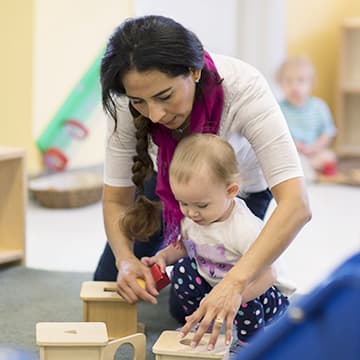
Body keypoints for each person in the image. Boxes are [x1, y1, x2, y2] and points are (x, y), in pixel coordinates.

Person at [94, 15, 311, 350]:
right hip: (168, 185)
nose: (155, 115)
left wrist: (235, 284)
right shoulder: (127, 101)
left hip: (238, 191)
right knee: (111, 285)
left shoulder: (244, 88)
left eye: (165, 96)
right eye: (140, 102)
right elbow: (116, 200)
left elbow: (297, 205)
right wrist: (126, 259)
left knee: (211, 293)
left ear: (194, 72)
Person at [141, 133, 295, 351]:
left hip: (265, 294)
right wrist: (163, 257)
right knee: (183, 270)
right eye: (183, 202)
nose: (191, 212)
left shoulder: (243, 228)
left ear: (230, 191)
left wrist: (235, 296)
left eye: (201, 205)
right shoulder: (193, 215)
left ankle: (248, 344)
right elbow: (185, 246)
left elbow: (268, 275)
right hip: (217, 285)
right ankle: (199, 321)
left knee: (245, 302)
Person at [277, 56, 337, 178]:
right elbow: (276, 133)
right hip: (291, 152)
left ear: (311, 83)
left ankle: (308, 168)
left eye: (300, 80)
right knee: (280, 159)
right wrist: (293, 144)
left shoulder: (319, 106)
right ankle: (308, 170)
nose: (294, 86)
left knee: (329, 156)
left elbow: (328, 133)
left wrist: (314, 147)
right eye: (288, 81)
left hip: (314, 151)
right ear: (280, 83)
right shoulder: (279, 108)